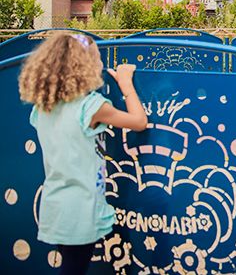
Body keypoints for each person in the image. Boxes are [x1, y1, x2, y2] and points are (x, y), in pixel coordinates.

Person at [19, 33, 148, 275]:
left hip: (55, 204)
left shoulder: (43, 107)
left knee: (71, 263)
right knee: (74, 268)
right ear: (84, 66)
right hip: (80, 208)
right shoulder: (91, 106)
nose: (101, 64)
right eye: (98, 59)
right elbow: (139, 122)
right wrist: (126, 84)